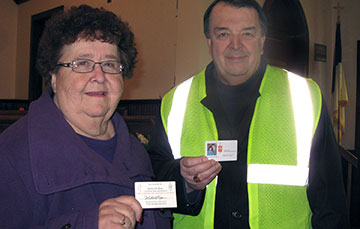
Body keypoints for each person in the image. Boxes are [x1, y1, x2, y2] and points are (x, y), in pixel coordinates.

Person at [147, 0, 349, 228]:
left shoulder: (304, 97)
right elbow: (154, 180)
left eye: (248, 34)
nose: (236, 45)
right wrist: (185, 182)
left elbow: (330, 202)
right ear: (209, 41)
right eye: (223, 34)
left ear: (262, 41)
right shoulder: (175, 102)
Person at [0, 5, 171, 229]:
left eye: (110, 64)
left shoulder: (136, 150)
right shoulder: (12, 155)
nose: (99, 76)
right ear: (53, 77)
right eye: (82, 63)